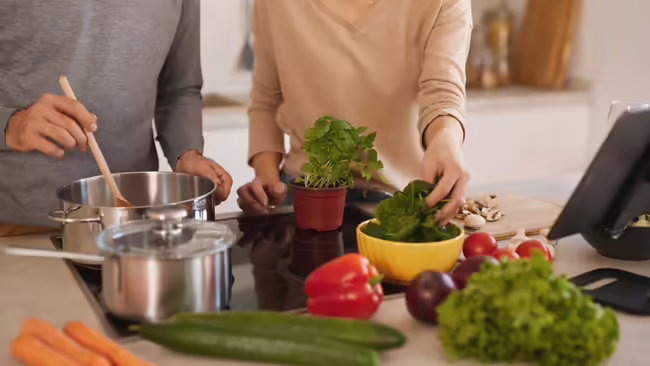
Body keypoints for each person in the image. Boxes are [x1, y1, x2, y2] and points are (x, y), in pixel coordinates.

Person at [0, 0, 232, 236]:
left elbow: (178, 89)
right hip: (18, 227)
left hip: (136, 225)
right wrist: (11, 124)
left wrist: (187, 152)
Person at [237, 0, 472, 223]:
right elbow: (267, 99)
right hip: (306, 198)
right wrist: (267, 178)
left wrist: (445, 137)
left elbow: (443, 90)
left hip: (403, 202)